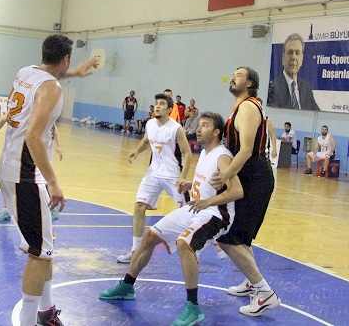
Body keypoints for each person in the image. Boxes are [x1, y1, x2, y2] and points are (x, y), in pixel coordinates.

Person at [98, 112, 243, 326]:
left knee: (185, 244)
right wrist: (191, 184)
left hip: (216, 214)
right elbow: (210, 183)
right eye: (199, 124)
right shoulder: (205, 153)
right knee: (150, 236)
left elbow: (237, 191)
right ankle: (127, 286)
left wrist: (207, 202)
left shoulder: (222, 156)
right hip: (196, 208)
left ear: (216, 132)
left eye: (204, 125)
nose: (198, 128)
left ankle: (193, 307)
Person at [0, 34, 97, 326]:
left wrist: (74, 72)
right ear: (65, 59)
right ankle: (30, 320)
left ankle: (46, 311)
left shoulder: (26, 72)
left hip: (10, 169)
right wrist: (53, 181)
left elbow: (43, 87)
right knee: (39, 254)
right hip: (26, 176)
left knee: (45, 245)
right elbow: (33, 137)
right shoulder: (52, 88)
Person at [211, 67, 281, 317]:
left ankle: (265, 294)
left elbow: (247, 150)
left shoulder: (249, 107)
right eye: (233, 74)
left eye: (239, 75)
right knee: (241, 237)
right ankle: (252, 282)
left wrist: (226, 174)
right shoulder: (239, 108)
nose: (233, 77)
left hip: (255, 177)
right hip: (248, 176)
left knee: (229, 237)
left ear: (250, 83)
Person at [115, 93, 192, 264]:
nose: (157, 106)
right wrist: (136, 151)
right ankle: (135, 250)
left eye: (162, 104)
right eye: (156, 103)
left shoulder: (176, 128)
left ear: (169, 109)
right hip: (153, 173)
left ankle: (211, 242)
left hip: (172, 175)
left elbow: (187, 153)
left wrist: (183, 177)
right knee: (139, 206)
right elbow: (145, 141)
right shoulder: (150, 124)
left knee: (190, 211)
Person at [0, 113, 62, 222]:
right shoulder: (20, 112)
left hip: (42, 152)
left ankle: (51, 208)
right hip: (21, 152)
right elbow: (3, 119)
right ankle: (7, 209)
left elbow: (54, 128)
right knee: (9, 181)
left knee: (44, 180)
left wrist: (58, 146)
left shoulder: (44, 115)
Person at [267, 33, 319, 111]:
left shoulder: (306, 88)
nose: (293, 57)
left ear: (302, 59)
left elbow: (317, 112)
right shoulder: (273, 87)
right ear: (283, 58)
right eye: (290, 52)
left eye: (297, 53)